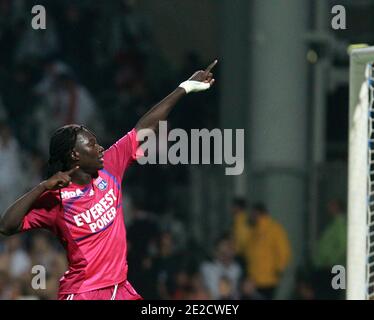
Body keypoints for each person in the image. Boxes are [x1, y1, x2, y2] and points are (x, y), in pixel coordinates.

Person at [0, 60, 217, 300]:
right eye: (91, 144)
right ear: (75, 155)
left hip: (120, 289)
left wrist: (184, 87)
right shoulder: (56, 197)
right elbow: (6, 225)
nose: (100, 147)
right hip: (83, 294)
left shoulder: (111, 166)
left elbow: (144, 127)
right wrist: (41, 187)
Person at [242, 203, 291, 300]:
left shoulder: (274, 229)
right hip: (256, 279)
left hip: (267, 279)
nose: (250, 216)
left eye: (252, 213)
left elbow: (283, 251)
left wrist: (279, 268)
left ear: (257, 213)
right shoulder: (254, 230)